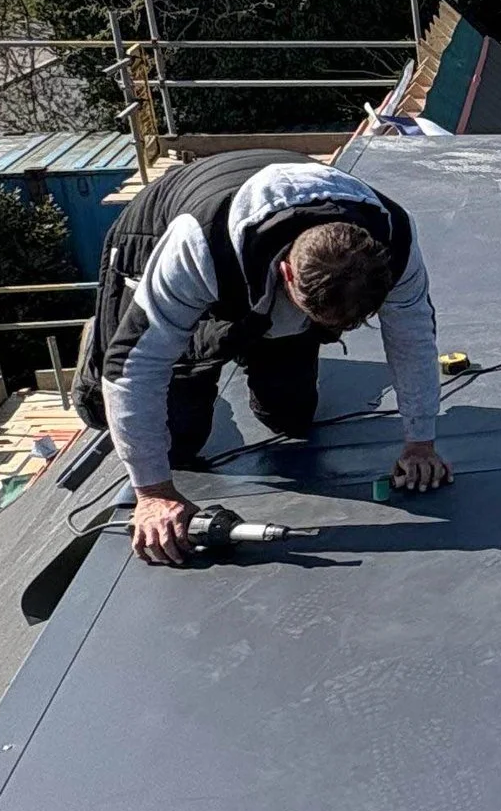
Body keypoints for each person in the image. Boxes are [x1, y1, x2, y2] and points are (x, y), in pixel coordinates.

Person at [76, 150, 451, 561]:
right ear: (287, 275)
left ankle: (255, 335)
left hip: (264, 281)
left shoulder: (393, 239)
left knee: (291, 416)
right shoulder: (197, 245)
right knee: (175, 444)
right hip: (162, 231)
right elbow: (135, 368)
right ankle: (119, 351)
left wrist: (420, 443)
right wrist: (153, 492)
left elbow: (412, 339)